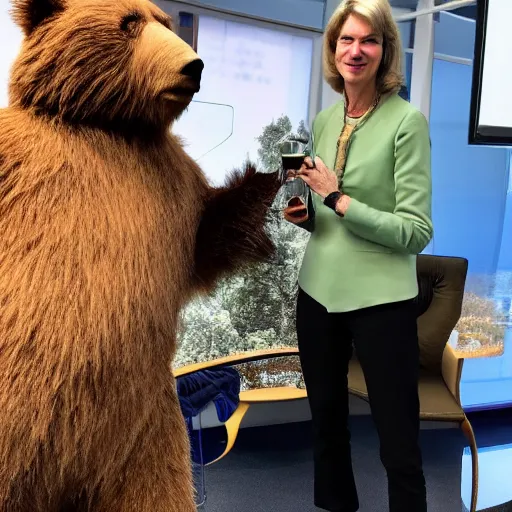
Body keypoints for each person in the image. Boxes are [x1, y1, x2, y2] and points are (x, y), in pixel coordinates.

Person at [283, 1, 433, 511]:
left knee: (399, 446)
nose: (356, 50)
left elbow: (415, 232)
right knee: (326, 430)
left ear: (385, 49)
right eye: (346, 39)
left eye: (369, 40)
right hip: (318, 293)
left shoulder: (407, 123)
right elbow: (328, 213)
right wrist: (307, 214)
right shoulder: (325, 119)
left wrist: (336, 198)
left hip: (383, 301)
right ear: (333, 49)